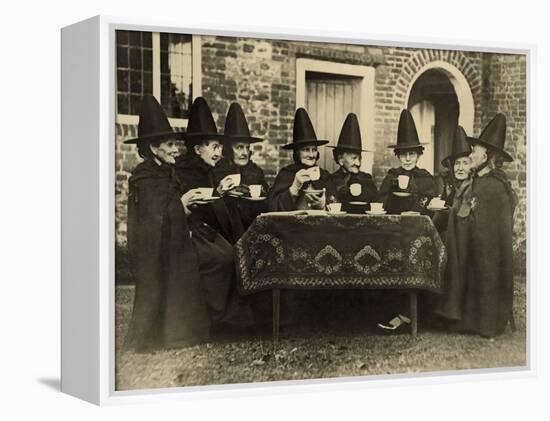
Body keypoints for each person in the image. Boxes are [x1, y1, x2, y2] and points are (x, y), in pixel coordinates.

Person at [124, 95, 232, 352]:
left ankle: (215, 320)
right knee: (217, 259)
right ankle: (196, 326)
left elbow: (170, 208)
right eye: (170, 144)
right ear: (153, 148)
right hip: (160, 249)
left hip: (179, 237)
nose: (176, 150)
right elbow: (152, 221)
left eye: (175, 144)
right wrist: (182, 205)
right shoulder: (145, 177)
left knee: (225, 254)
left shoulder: (166, 171)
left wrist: (188, 204)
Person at [439, 113, 517, 337]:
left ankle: (484, 321)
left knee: (483, 267)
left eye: (475, 151)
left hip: (489, 252)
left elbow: (488, 227)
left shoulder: (493, 186)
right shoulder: (480, 181)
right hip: (477, 246)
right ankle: (467, 316)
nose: (471, 154)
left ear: (487, 156)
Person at [176, 97, 244, 245]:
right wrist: (217, 193)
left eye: (220, 147)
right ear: (197, 149)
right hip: (191, 237)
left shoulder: (210, 169)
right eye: (214, 147)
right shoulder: (182, 172)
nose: (219, 153)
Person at [214, 102, 269, 230]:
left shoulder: (256, 172)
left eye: (247, 147)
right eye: (239, 147)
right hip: (224, 230)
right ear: (229, 149)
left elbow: (267, 203)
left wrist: (262, 192)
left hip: (252, 227)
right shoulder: (217, 171)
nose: (244, 152)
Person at [268, 108, 333, 211]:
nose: (312, 155)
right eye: (306, 150)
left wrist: (324, 205)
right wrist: (294, 187)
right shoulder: (286, 174)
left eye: (314, 150)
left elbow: (336, 204)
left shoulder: (325, 176)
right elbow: (272, 207)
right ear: (297, 153)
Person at [378, 109, 437, 215]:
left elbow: (432, 207)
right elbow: (380, 205)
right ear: (398, 156)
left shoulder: (425, 178)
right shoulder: (391, 176)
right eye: (404, 154)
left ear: (418, 156)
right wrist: (392, 194)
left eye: (412, 154)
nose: (408, 159)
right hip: (394, 227)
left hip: (418, 226)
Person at [327, 113, 378, 213]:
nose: (358, 163)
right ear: (341, 160)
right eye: (354, 158)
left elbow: (376, 204)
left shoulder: (367, 179)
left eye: (360, 158)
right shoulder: (332, 180)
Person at [431, 126, 474, 235]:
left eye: (465, 163)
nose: (460, 168)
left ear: (472, 166)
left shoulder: (474, 187)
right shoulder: (450, 186)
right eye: (457, 163)